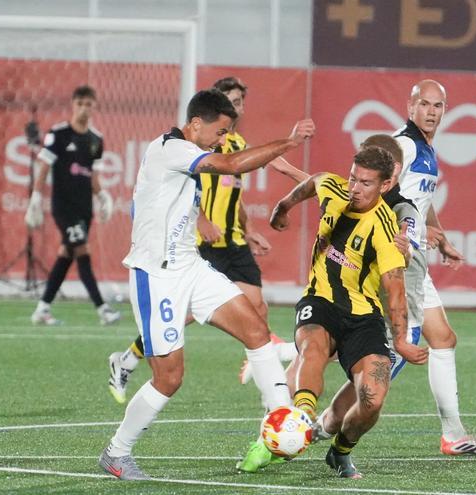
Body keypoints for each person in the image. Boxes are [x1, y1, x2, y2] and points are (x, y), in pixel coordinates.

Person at [97, 89, 314, 481]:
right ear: (196, 124)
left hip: (191, 268)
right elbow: (231, 164)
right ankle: (116, 452)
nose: (222, 139)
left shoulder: (181, 156)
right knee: (169, 378)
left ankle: (279, 424)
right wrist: (290, 141)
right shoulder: (171, 149)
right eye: (220, 131)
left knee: (256, 329)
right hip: (158, 277)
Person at [263, 147, 429, 479]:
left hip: (364, 315)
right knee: (313, 347)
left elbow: (395, 289)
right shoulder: (335, 189)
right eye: (353, 178)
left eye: (365, 183)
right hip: (320, 300)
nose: (354, 188)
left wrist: (400, 339)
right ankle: (303, 416)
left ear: (384, 186)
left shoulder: (385, 230)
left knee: (373, 397)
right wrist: (284, 205)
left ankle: (340, 451)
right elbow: (312, 183)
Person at [389, 79, 476, 456]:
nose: (432, 112)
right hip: (402, 262)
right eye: (425, 104)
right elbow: (373, 189)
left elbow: (419, 199)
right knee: (396, 353)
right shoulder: (402, 144)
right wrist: (395, 240)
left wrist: (439, 233)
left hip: (418, 258)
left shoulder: (426, 149)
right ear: (411, 105)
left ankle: (453, 435)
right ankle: (324, 423)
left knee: (443, 339)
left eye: (439, 106)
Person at [25, 85, 121, 326]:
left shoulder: (96, 140)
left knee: (66, 255)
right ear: (73, 105)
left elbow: (93, 176)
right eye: (80, 103)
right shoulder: (59, 134)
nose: (84, 108)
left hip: (84, 208)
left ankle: (42, 309)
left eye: (89, 104)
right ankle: (103, 309)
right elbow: (44, 166)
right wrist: (36, 196)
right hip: (64, 207)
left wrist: (102, 196)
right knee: (83, 252)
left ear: (94, 107)